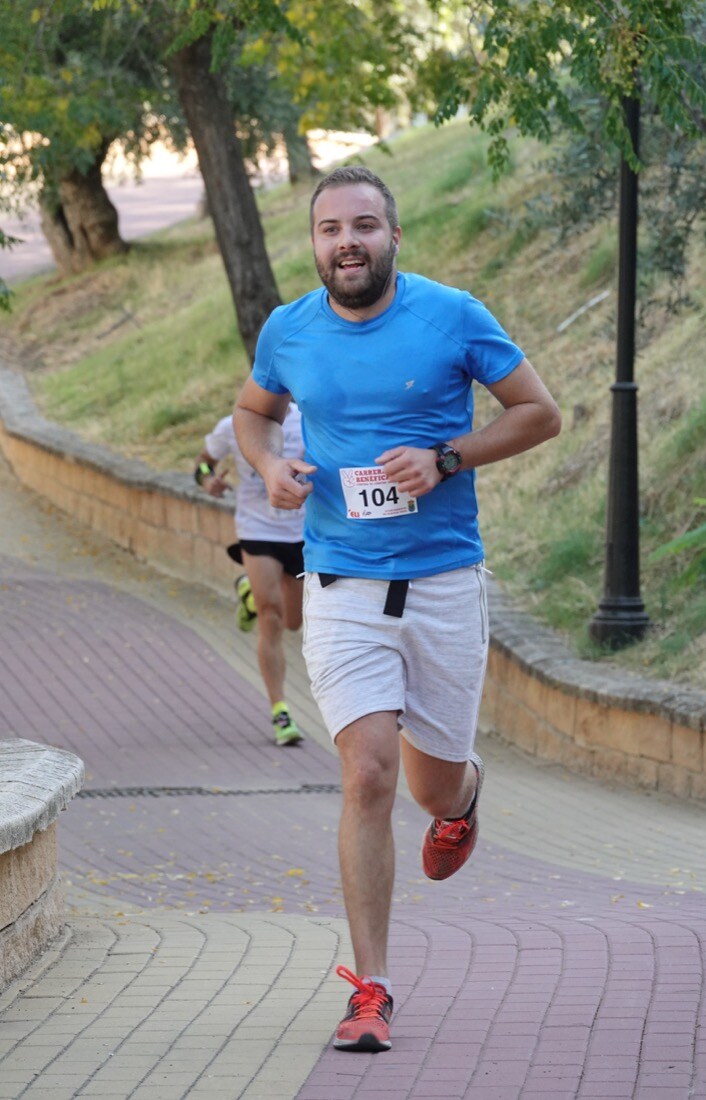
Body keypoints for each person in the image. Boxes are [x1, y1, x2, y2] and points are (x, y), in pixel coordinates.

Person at [232, 165, 561, 1051]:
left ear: (393, 237)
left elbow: (540, 412)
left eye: (365, 226)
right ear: (314, 243)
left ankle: (464, 795)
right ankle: (369, 988)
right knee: (368, 773)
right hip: (341, 586)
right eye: (331, 228)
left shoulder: (450, 314)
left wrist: (449, 457)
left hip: (445, 585)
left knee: (429, 787)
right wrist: (268, 466)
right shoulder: (288, 329)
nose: (348, 242)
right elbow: (252, 413)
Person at [194, 405, 306, 746]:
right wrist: (208, 480)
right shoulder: (233, 425)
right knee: (271, 615)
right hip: (258, 529)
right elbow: (202, 465)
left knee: (292, 622)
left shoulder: (311, 417)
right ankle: (280, 710)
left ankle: (248, 592)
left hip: (303, 531)